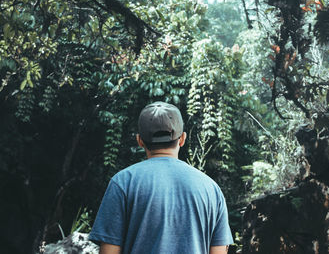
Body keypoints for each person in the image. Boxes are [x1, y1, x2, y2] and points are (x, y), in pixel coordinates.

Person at [89, 101, 233, 254]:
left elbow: (109, 251)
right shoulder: (211, 189)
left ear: (140, 141)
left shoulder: (123, 183)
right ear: (182, 139)